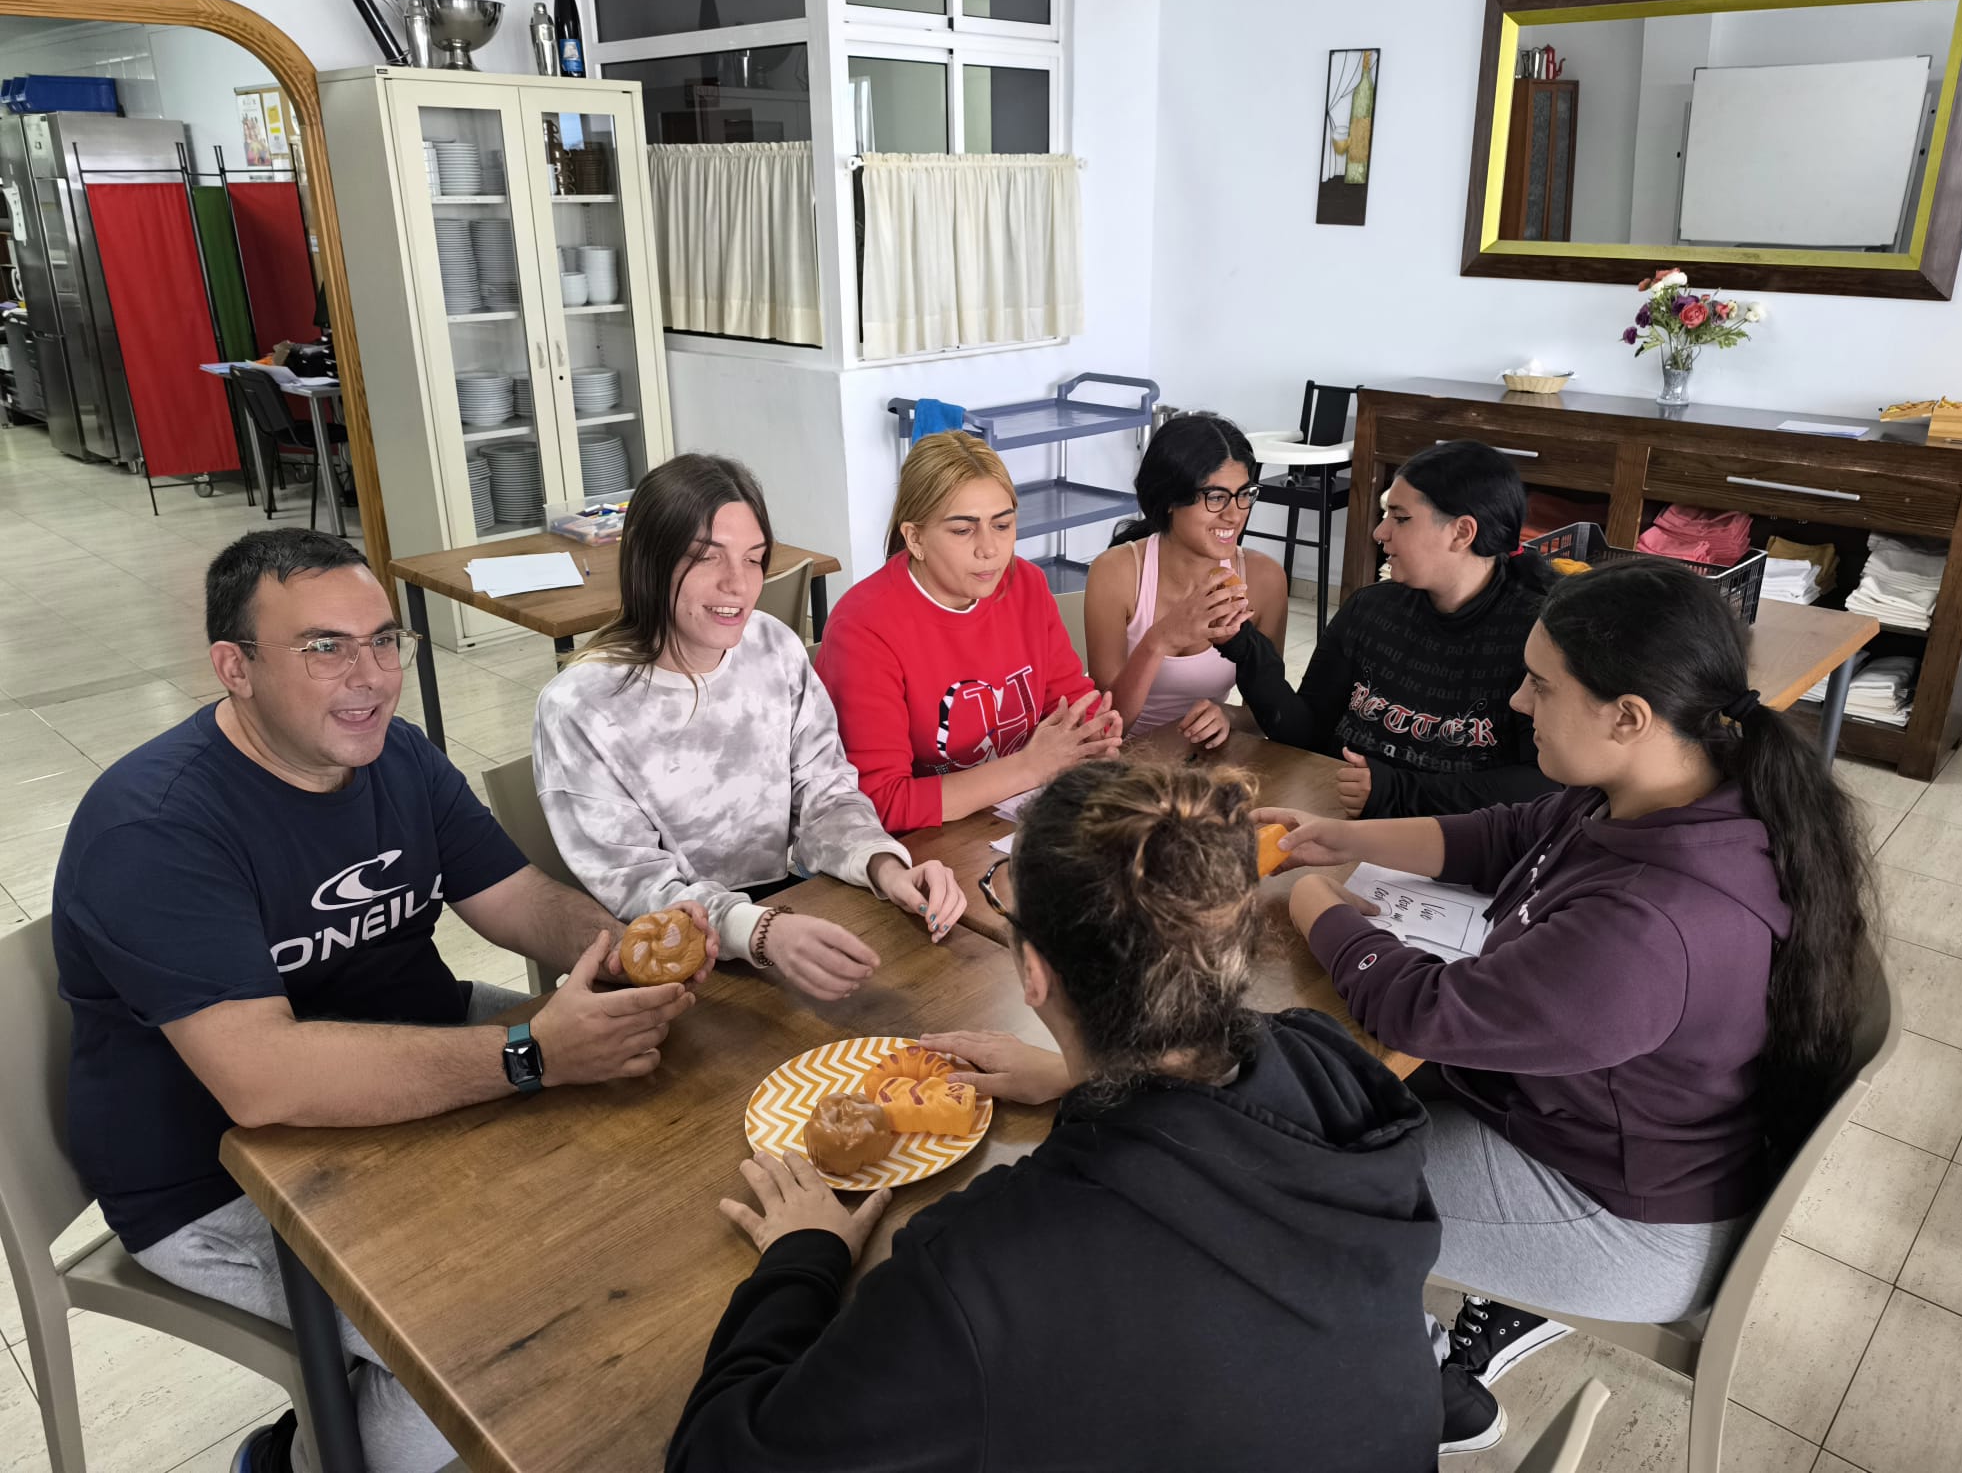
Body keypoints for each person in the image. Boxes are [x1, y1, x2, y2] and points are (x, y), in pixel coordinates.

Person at [51, 530, 697, 1473]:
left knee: (664, 1156)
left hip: (417, 1070)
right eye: (325, 647)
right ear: (234, 668)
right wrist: (529, 1055)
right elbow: (263, 1080)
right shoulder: (155, 827)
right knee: (489, 1341)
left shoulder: (397, 756)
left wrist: (626, 950)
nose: (371, 678)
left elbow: (517, 899)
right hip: (215, 1172)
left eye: (384, 641)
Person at [666, 760, 1444, 1471]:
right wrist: (1079, 1077)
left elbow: (716, 1459)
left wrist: (802, 1256)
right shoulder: (1325, 1063)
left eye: (1000, 897)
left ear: (1033, 972)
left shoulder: (976, 1274)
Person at [1268, 559, 1873, 1454]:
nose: (1517, 703)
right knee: (1318, 1101)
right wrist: (1349, 838)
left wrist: (1313, 901)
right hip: (1606, 1128)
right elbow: (1515, 836)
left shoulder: (1653, 925)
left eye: (1541, 687)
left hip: (1623, 1213)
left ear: (1629, 716)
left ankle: (1426, 1386)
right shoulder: (1674, 783)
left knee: (1290, 1194)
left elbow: (1424, 1011)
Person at [534, 454, 965, 1002]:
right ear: (649, 562)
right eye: (706, 558)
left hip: (782, 918)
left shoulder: (773, 646)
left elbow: (827, 795)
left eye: (754, 559)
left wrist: (883, 865)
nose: (737, 584)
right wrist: (758, 929)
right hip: (664, 966)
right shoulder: (580, 706)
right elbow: (637, 885)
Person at [1221, 439, 1558, 817]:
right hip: (1339, 818)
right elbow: (1306, 733)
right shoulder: (1370, 609)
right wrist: (1243, 643)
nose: (1379, 532)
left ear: (1462, 532)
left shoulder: (1537, 635)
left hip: (1450, 840)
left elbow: (1544, 783)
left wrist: (1397, 790)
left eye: (1400, 518)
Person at [816, 431, 1123, 833]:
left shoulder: (1026, 584)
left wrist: (1093, 735)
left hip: (1006, 819)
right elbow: (882, 802)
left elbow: (1072, 703)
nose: (990, 549)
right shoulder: (863, 628)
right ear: (915, 538)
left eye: (1003, 525)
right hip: (915, 846)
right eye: (963, 530)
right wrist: (1030, 767)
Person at [1083, 412, 1287, 747]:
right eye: (1216, 497)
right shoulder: (1116, 573)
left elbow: (1270, 711)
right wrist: (1160, 640)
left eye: (1244, 494)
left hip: (1209, 758)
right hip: (1123, 757)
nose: (1235, 515)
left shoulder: (1265, 579)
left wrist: (1229, 716)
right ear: (1170, 499)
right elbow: (1108, 724)